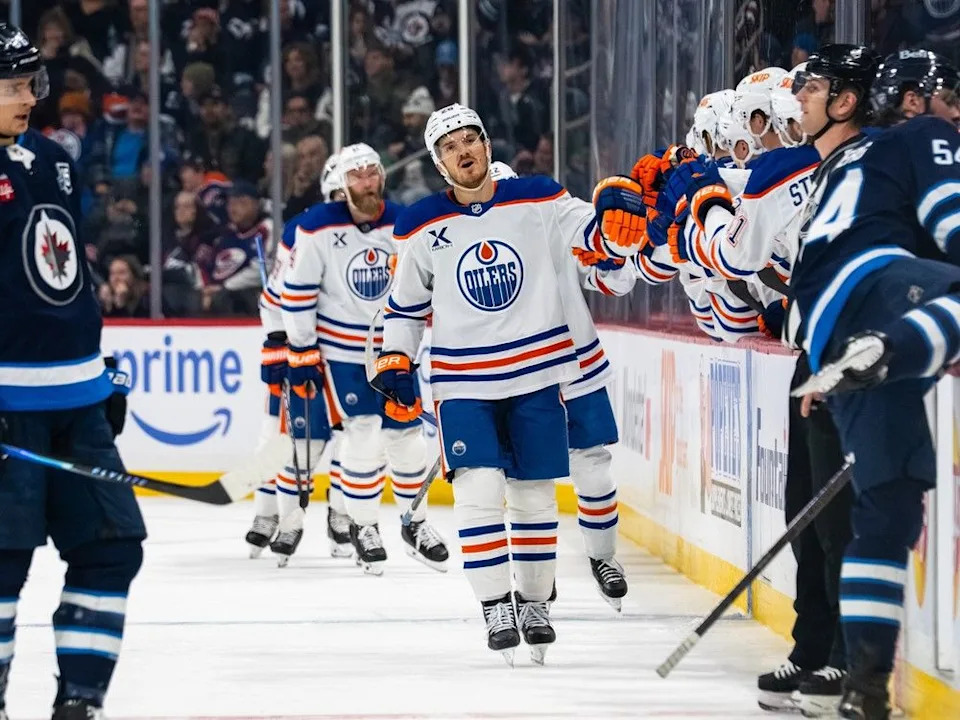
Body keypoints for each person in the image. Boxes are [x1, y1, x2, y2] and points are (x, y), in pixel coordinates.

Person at [373, 103, 644, 665]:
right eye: (449, 146)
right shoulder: (419, 224)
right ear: (437, 161)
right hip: (463, 380)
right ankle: (495, 605)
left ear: (487, 144)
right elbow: (404, 306)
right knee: (475, 490)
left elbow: (591, 235)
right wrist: (396, 359)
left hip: (537, 373)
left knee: (533, 496)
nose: (463, 150)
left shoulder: (539, 196)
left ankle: (536, 602)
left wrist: (616, 229)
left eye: (470, 138)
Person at [785, 45, 960, 720]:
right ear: (915, 100)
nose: (956, 115)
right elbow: (953, 224)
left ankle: (864, 689)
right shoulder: (926, 134)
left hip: (823, 329)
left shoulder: (848, 164)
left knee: (886, 512)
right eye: (950, 99)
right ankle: (889, 348)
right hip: (879, 298)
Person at [0, 24, 145, 720]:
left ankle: (79, 702)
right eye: (13, 85)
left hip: (76, 401)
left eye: (33, 81)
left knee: (111, 548)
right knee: (1, 565)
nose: (30, 96)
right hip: (6, 402)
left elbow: (60, 277)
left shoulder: (53, 159)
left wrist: (97, 371)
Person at [280, 143, 447, 574]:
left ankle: (415, 522)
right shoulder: (315, 228)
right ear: (342, 184)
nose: (367, 182)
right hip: (342, 353)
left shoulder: (403, 224)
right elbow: (296, 294)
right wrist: (300, 349)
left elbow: (429, 282)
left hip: (396, 349)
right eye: (357, 176)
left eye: (372, 174)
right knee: (365, 432)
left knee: (407, 437)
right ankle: (364, 526)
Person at [490, 161, 629, 611]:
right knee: (526, 485)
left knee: (592, 465)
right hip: (516, 377)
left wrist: (611, 255)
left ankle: (603, 557)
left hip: (573, 365)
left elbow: (615, 280)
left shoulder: (553, 221)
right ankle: (534, 583)